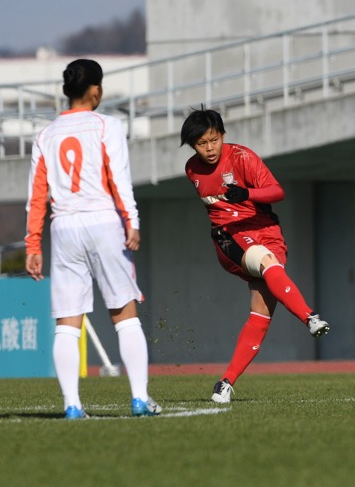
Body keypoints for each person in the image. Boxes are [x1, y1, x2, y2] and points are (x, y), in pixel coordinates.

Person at [25, 59, 161, 419]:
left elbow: (36, 195)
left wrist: (33, 244)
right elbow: (119, 177)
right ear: (96, 90)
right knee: (125, 314)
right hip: (103, 221)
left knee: (67, 323)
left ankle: (72, 405)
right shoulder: (107, 125)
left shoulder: (45, 135)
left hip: (64, 227)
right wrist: (132, 220)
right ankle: (139, 399)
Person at [180, 107, 330, 404]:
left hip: (267, 231)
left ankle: (225, 383)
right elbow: (222, 209)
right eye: (201, 143)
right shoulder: (192, 169)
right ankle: (309, 316)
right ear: (192, 146)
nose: (209, 149)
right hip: (229, 236)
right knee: (265, 261)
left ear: (223, 135)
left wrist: (246, 193)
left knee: (261, 311)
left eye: (213, 140)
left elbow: (276, 191)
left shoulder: (242, 157)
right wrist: (238, 203)